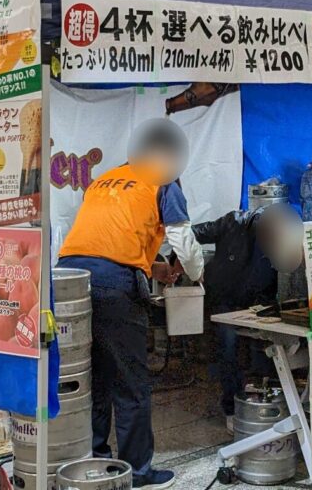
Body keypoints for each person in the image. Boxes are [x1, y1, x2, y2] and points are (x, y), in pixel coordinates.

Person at [57, 119, 204, 490]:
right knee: (131, 381)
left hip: (67, 279)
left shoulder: (105, 179)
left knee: (94, 377)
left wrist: (153, 266)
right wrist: (197, 274)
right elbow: (183, 241)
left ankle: (93, 459)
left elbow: (105, 240)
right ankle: (138, 472)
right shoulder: (164, 180)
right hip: (112, 285)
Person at [192, 206, 277, 432]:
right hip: (226, 300)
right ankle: (232, 408)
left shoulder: (281, 229)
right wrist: (188, 263)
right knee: (227, 351)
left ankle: (262, 407)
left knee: (264, 353)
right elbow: (192, 233)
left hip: (260, 304)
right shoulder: (232, 221)